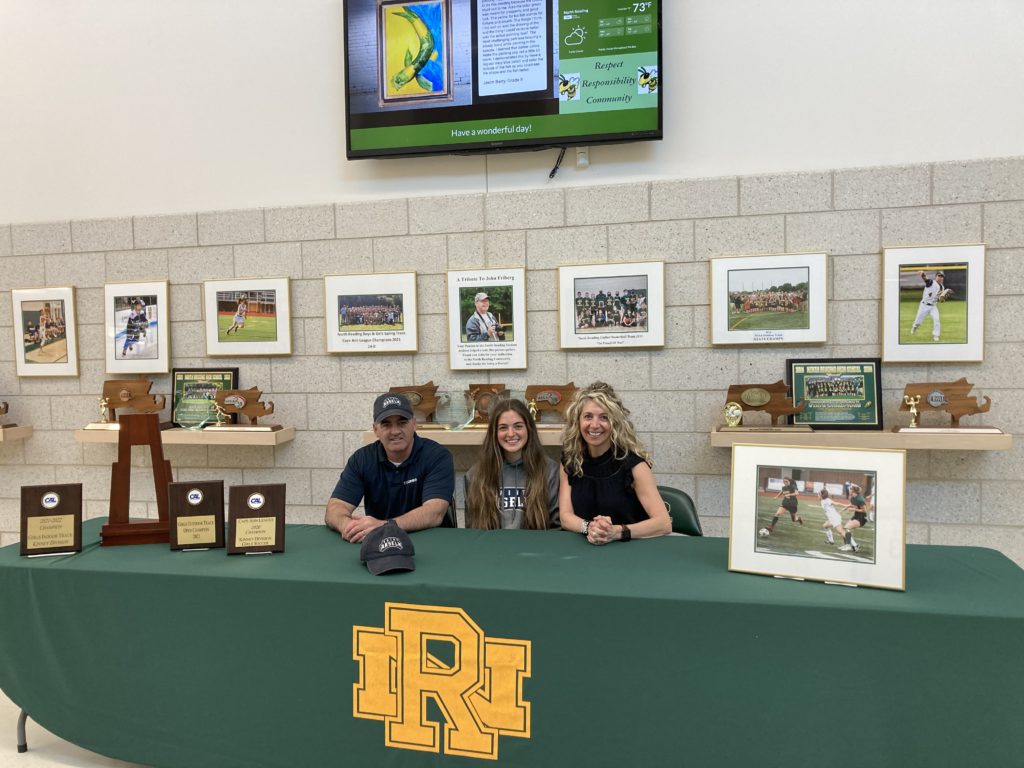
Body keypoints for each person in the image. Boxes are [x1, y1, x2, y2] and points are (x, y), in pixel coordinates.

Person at [325, 392, 455, 544]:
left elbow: (434, 513)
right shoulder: (361, 460)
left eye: (402, 422)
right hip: (383, 544)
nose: (395, 431)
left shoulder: (437, 456)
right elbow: (336, 508)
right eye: (386, 424)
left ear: (414, 424)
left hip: (433, 542)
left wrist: (384, 526)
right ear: (376, 430)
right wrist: (348, 527)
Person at [559, 382, 671, 544]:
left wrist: (616, 532)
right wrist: (589, 527)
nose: (594, 425)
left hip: (627, 549)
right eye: (588, 416)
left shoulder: (635, 465)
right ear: (578, 421)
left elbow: (663, 523)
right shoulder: (570, 460)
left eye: (604, 417)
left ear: (615, 423)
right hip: (583, 548)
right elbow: (565, 517)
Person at [464, 398, 559, 530]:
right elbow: (472, 530)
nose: (511, 434)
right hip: (490, 543)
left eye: (518, 426)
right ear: (494, 433)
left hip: (537, 543)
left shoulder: (550, 471)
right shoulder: (475, 475)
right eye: (503, 428)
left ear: (529, 429)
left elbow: (556, 529)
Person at [910, 270, 944, 341]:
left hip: (933, 306)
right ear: (936, 277)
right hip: (924, 305)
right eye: (939, 276)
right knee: (918, 321)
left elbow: (940, 299)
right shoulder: (931, 282)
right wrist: (923, 274)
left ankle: (936, 335)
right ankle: (914, 327)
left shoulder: (942, 287)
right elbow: (926, 279)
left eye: (942, 276)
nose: (940, 277)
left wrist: (942, 299)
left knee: (937, 320)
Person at [838, 484, 868, 552]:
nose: (848, 490)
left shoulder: (860, 499)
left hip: (862, 518)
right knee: (843, 530)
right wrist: (841, 511)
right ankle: (854, 545)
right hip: (856, 516)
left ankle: (848, 545)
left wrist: (853, 509)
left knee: (847, 528)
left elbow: (864, 510)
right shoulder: (852, 498)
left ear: (853, 491)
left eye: (850, 489)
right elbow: (851, 505)